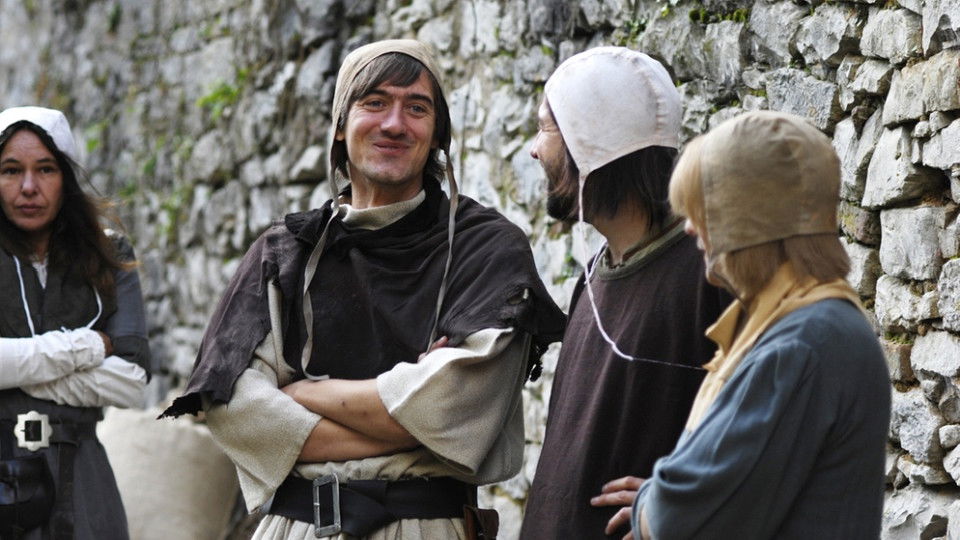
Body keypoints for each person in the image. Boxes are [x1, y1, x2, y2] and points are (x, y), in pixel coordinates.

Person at [161, 40, 565, 539]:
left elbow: (456, 407)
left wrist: (305, 393)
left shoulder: (485, 249)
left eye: (417, 108)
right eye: (375, 102)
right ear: (340, 125)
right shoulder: (285, 252)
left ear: (437, 134)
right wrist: (410, 423)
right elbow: (234, 408)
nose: (394, 124)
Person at [629, 110, 890, 539]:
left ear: (747, 220)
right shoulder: (810, 325)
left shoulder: (803, 344)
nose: (690, 228)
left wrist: (649, 499)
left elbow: (675, 521)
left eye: (704, 210)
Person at [520, 47, 731, 539]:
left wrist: (695, 498)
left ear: (589, 142)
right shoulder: (594, 273)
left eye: (546, 128)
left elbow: (788, 430)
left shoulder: (713, 273)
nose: (534, 149)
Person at [0, 106, 151, 539]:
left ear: (65, 177)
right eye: (11, 170)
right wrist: (84, 348)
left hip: (83, 481)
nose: (29, 187)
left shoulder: (108, 254)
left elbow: (131, 381)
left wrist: (16, 371)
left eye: (45, 169)